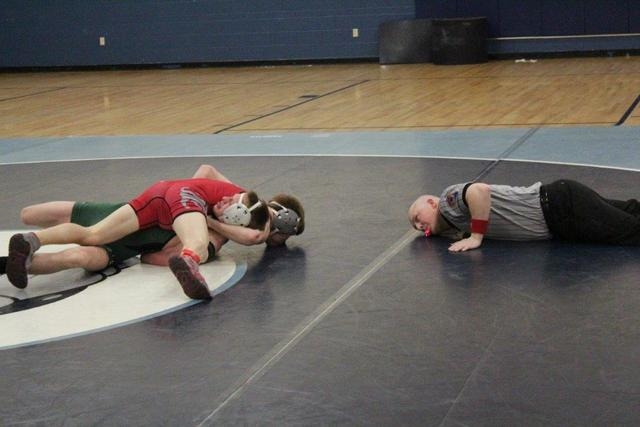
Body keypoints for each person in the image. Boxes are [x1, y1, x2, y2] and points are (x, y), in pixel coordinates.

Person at [6, 178, 270, 300]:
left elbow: (250, 234)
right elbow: (253, 236)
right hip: (179, 198)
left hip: (156, 197)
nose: (227, 198)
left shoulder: (214, 217)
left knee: (91, 236)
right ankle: (191, 263)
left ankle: (31, 242)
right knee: (196, 244)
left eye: (233, 204)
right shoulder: (206, 212)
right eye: (233, 198)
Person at [408, 179, 640, 252]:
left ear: (431, 202)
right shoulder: (453, 223)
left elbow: (480, 190)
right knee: (630, 211)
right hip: (561, 209)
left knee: (631, 232)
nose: (418, 225)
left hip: (560, 207)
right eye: (416, 225)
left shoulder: (448, 201)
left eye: (417, 217)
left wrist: (476, 237)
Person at [190, 164, 305, 247]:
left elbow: (207, 170)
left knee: (222, 236)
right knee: (220, 237)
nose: (283, 241)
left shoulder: (243, 202)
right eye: (285, 235)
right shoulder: (262, 226)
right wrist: (188, 204)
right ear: (282, 220)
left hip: (187, 209)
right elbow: (206, 170)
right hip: (184, 208)